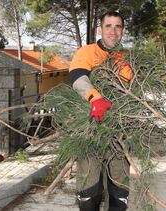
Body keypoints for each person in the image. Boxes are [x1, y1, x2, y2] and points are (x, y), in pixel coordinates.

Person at [69, 11, 133, 211]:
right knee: (89, 192)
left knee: (119, 192)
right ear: (100, 29)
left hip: (118, 133)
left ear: (123, 31)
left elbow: (134, 90)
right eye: (108, 26)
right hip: (91, 128)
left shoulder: (126, 58)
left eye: (117, 26)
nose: (113, 31)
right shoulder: (87, 52)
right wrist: (96, 99)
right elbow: (78, 78)